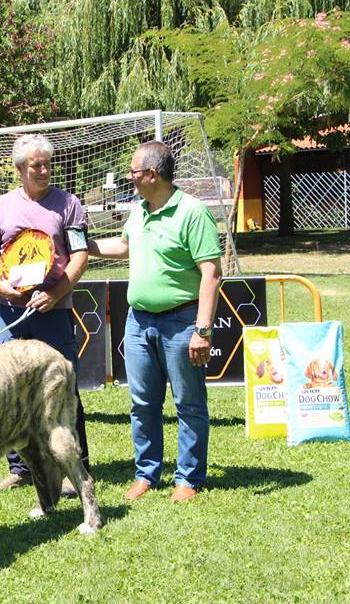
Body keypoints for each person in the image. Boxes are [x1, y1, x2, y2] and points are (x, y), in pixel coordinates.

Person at [89, 141, 222, 503]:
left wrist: (202, 330)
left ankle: (187, 479)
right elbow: (124, 245)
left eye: (133, 171)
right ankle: (146, 474)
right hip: (138, 322)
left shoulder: (193, 213)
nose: (129, 177)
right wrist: (84, 245)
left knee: (188, 404)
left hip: (181, 322)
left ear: (151, 174)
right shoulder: (139, 209)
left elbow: (211, 274)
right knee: (142, 403)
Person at [0, 133, 90, 497]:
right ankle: (19, 468)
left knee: (63, 388)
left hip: (53, 312)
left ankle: (74, 467)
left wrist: (56, 294)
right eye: (36, 165)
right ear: (20, 169)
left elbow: (80, 256)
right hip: (7, 313)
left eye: (47, 164)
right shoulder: (1, 207)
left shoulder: (69, 204)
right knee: (5, 390)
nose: (43, 170)